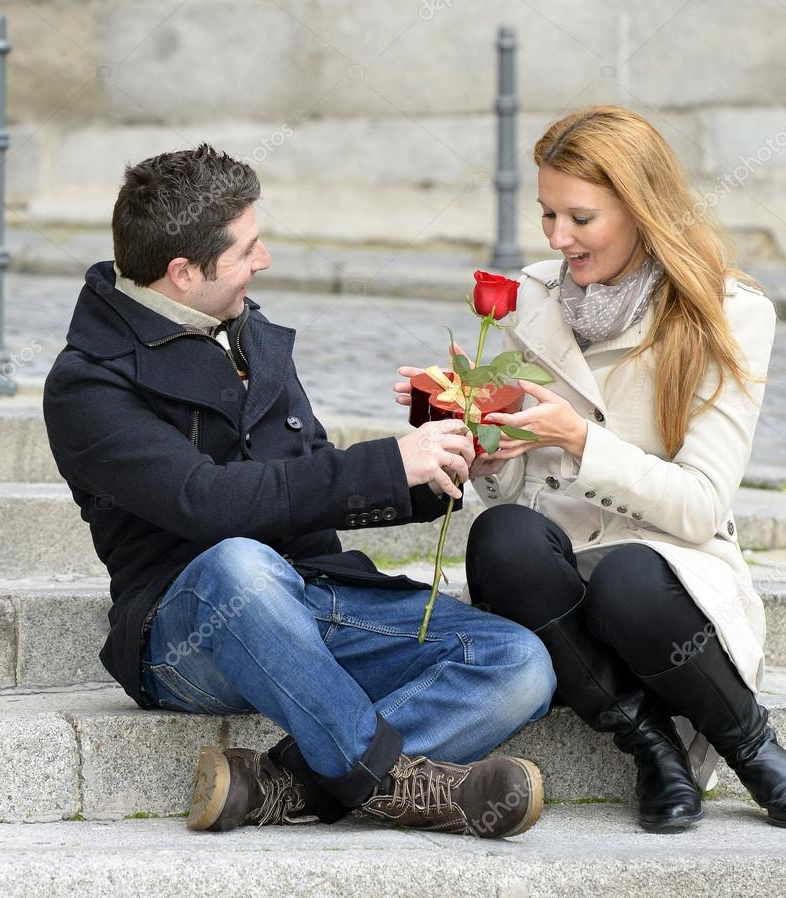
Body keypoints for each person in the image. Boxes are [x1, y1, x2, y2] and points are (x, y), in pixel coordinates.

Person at [42, 144, 556, 839]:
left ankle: (276, 784)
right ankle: (404, 786)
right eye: (249, 247)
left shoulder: (251, 334)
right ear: (183, 272)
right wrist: (383, 464)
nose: (266, 261)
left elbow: (313, 474)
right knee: (239, 565)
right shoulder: (89, 382)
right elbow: (209, 502)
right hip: (195, 629)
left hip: (317, 599)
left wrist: (449, 453)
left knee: (519, 663)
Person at [395, 105, 786, 833]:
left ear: (640, 210)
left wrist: (579, 440)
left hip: (666, 573)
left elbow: (700, 506)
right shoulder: (532, 300)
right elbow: (509, 492)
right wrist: (474, 433)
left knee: (628, 574)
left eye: (581, 218)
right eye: (547, 216)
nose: (559, 238)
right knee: (499, 533)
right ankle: (647, 741)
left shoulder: (728, 312)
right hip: (555, 577)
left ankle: (749, 742)